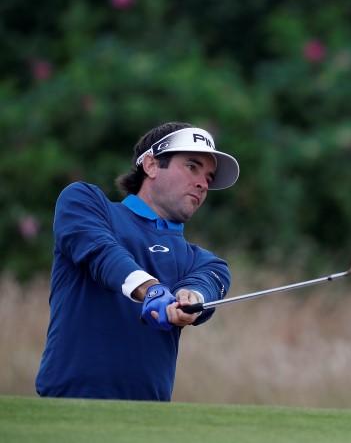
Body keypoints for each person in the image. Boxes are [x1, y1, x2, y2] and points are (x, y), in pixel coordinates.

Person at [35, 122, 239, 401]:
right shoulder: (85, 202)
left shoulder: (206, 262)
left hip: (150, 418)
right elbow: (102, 253)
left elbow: (206, 285)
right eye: (192, 167)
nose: (203, 184)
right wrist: (151, 289)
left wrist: (190, 299)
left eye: (209, 178)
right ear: (152, 165)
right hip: (70, 403)